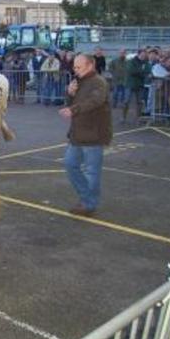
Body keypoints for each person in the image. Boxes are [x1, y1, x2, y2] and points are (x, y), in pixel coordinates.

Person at [59, 54, 112, 217]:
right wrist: (69, 93)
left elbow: (95, 101)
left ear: (90, 65)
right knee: (70, 164)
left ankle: (89, 203)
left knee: (92, 172)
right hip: (77, 133)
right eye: (74, 67)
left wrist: (72, 110)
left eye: (78, 67)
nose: (75, 70)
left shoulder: (99, 82)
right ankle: (87, 198)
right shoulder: (78, 81)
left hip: (94, 134)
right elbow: (71, 103)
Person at [122, 49, 148, 125]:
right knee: (126, 101)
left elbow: (148, 70)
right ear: (138, 54)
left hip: (140, 84)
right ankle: (124, 117)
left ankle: (138, 118)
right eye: (142, 55)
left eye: (144, 55)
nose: (143, 56)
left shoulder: (145, 62)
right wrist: (142, 72)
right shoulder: (131, 61)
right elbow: (131, 71)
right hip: (130, 84)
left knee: (139, 102)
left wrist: (141, 72)